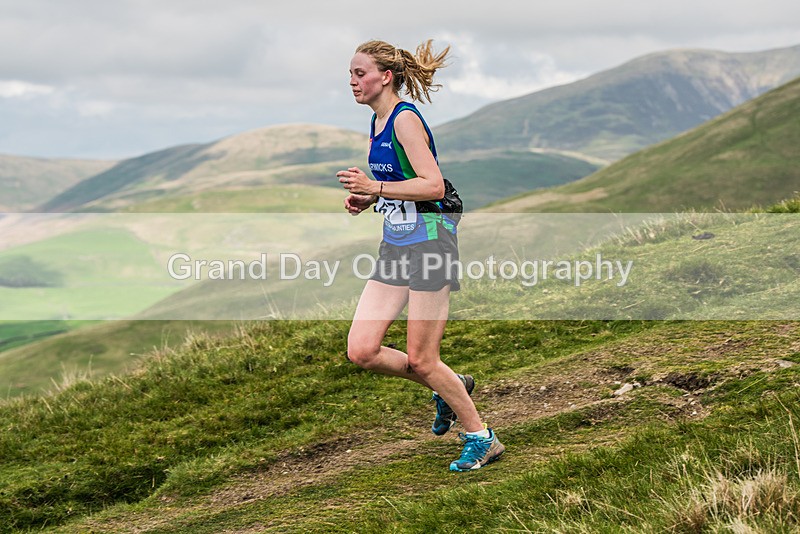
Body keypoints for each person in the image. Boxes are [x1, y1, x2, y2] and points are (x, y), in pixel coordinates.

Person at [336, 39, 504, 471]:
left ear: (385, 76)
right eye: (350, 74)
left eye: (360, 73)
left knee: (424, 358)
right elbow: (403, 183)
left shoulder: (405, 120)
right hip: (396, 243)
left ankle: (482, 437)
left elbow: (433, 185)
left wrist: (374, 186)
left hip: (430, 243)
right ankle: (450, 385)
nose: (352, 81)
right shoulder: (377, 121)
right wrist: (371, 199)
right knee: (362, 350)